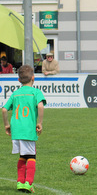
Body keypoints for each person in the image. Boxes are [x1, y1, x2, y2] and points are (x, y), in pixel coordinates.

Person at [2, 65, 46, 193]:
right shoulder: (36, 92)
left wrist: (6, 125)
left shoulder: (15, 94)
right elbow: (40, 106)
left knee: (23, 155)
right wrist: (40, 123)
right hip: (27, 129)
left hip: (16, 130)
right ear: (33, 78)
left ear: (19, 80)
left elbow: (4, 109)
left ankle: (20, 182)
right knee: (32, 156)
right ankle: (28, 183)